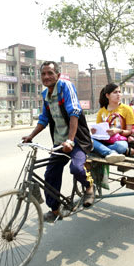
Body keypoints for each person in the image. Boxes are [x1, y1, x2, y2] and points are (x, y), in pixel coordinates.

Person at [22, 61, 94, 222]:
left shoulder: (65, 87)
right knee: (50, 174)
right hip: (59, 142)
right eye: (43, 74)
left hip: (77, 140)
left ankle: (89, 186)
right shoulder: (45, 95)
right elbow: (44, 119)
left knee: (76, 168)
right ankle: (55, 210)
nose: (46, 77)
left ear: (58, 75)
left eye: (50, 73)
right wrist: (31, 136)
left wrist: (70, 140)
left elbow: (74, 112)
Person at [91, 83, 134, 163]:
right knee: (88, 139)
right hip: (103, 140)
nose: (118, 94)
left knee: (122, 147)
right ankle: (110, 153)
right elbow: (99, 130)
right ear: (107, 95)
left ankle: (100, 150)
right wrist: (94, 131)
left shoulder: (127, 109)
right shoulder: (101, 111)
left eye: (119, 92)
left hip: (117, 141)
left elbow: (129, 131)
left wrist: (118, 131)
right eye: (115, 92)